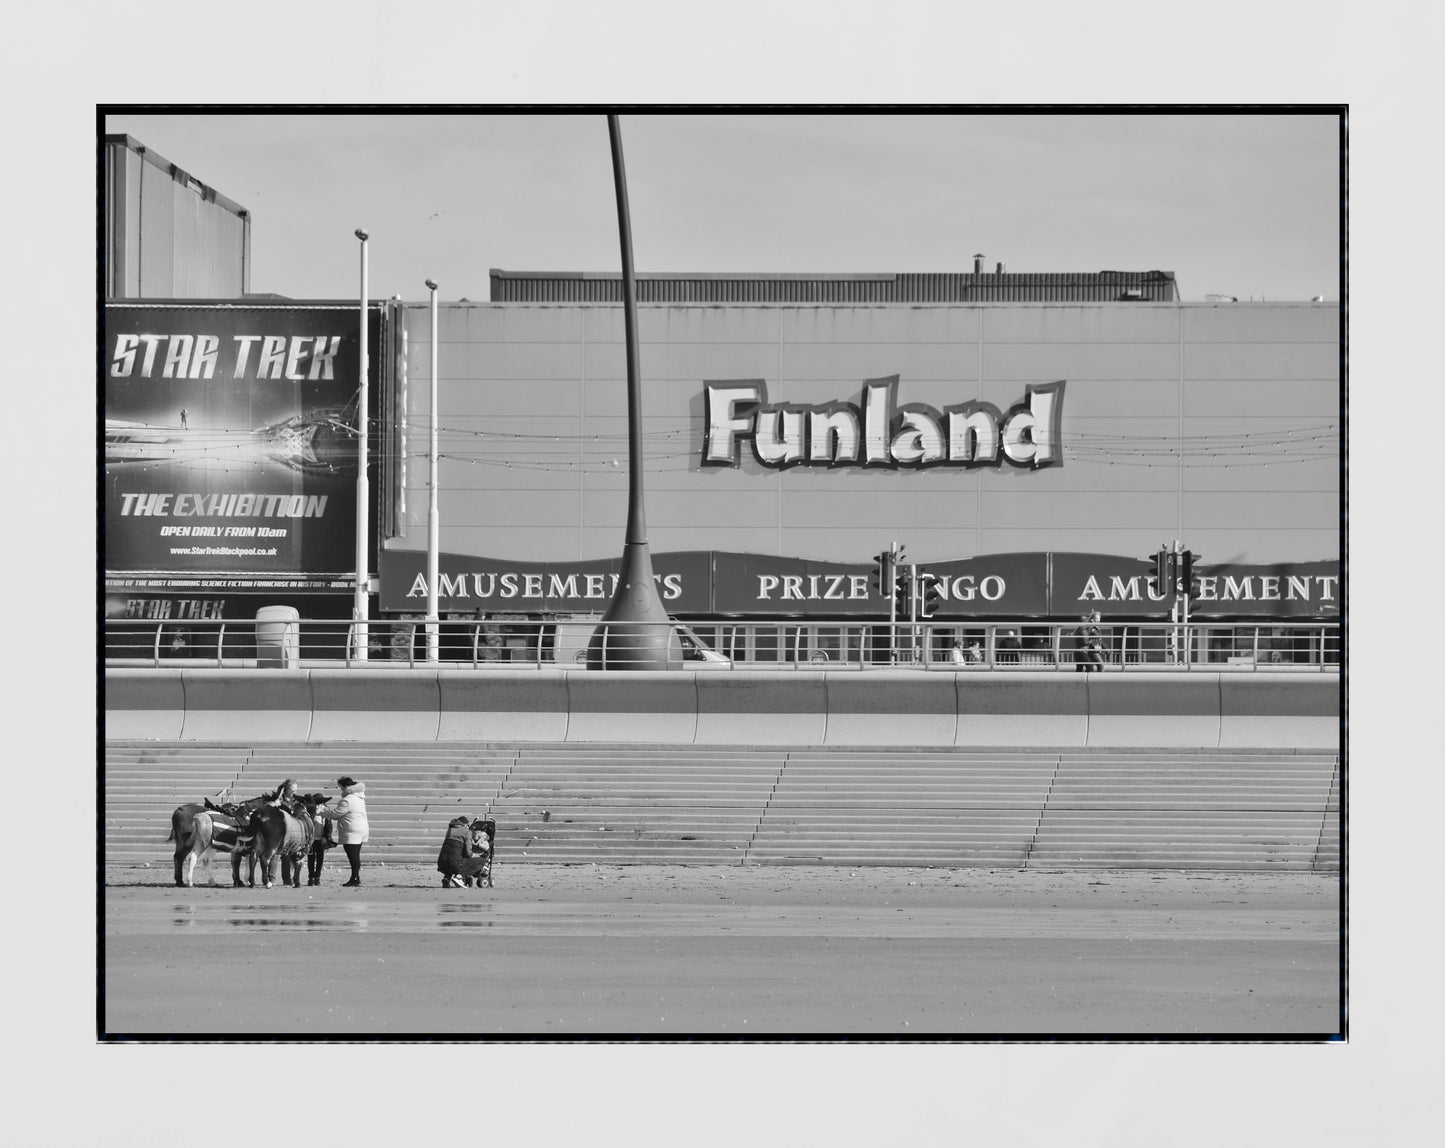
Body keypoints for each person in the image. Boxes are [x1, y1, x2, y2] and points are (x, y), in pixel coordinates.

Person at [332, 776, 369, 886]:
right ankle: (355, 877)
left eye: (342, 788)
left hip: (352, 831)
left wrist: (321, 812)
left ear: (346, 787)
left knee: (352, 855)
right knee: (355, 855)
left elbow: (335, 814)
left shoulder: (347, 800)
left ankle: (355, 878)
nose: (341, 791)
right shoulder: (359, 797)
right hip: (361, 829)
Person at [437, 815, 489, 888]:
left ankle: (447, 878)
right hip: (454, 864)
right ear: (465, 825)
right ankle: (459, 877)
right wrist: (475, 855)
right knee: (482, 861)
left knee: (452, 857)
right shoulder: (467, 832)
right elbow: (468, 853)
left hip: (442, 863)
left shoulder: (450, 830)